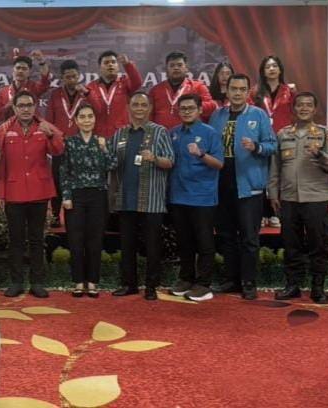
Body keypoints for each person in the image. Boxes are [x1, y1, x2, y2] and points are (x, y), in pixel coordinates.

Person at [208, 74, 276, 300]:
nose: (237, 93)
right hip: (221, 184)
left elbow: (272, 145)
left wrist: (256, 147)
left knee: (249, 237)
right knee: (226, 235)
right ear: (226, 91)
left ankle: (248, 282)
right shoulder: (217, 115)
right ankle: (231, 279)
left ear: (248, 92)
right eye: (233, 88)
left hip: (248, 185)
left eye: (242, 89)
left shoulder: (259, 114)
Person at [268, 92, 328, 304]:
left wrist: (320, 155)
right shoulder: (283, 134)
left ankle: (318, 288)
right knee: (291, 245)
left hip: (316, 197)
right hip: (289, 197)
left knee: (318, 245)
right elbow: (275, 168)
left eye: (308, 105)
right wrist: (273, 193)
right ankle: (293, 286)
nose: (304, 108)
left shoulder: (324, 134)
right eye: (300, 105)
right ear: (294, 108)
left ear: (315, 109)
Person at [0, 90, 65, 298]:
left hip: (39, 192)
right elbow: (0, 167)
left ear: (35, 107)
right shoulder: (4, 131)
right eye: (21, 105)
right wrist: (1, 194)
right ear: (14, 108)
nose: (25, 109)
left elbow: (58, 151)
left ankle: (37, 282)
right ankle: (16, 282)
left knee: (36, 240)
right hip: (14, 192)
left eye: (29, 105)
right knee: (15, 240)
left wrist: (51, 134)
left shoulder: (45, 128)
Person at [108, 91, 174, 301]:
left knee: (152, 246)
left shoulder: (160, 132)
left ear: (150, 108)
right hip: (125, 199)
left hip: (151, 200)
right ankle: (129, 284)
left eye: (143, 105)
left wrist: (154, 158)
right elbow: (110, 162)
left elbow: (170, 161)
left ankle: (152, 286)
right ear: (128, 108)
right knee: (127, 245)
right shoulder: (119, 134)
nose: (139, 108)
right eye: (135, 104)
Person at [167, 94, 224, 302]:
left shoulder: (210, 133)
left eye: (191, 108)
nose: (186, 112)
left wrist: (201, 154)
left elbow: (219, 164)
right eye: (183, 108)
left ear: (200, 110)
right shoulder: (173, 133)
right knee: (184, 242)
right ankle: (186, 279)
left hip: (203, 198)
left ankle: (204, 284)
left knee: (204, 243)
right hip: (178, 196)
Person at [59, 104, 115, 298]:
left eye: (90, 116)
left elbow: (112, 165)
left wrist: (104, 149)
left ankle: (92, 282)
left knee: (95, 239)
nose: (87, 120)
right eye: (82, 117)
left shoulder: (102, 141)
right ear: (76, 121)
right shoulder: (70, 142)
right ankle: (78, 282)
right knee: (75, 240)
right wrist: (66, 196)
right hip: (76, 196)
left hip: (98, 195)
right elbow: (64, 171)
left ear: (95, 119)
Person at [252, 55, 296, 229]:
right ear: (263, 71)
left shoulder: (289, 90)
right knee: (263, 176)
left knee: (280, 175)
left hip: (284, 137)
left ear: (280, 70)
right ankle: (264, 212)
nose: (271, 69)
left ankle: (277, 212)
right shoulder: (255, 91)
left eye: (274, 66)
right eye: (268, 66)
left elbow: (296, 113)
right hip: (262, 139)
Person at [45, 60, 90, 228]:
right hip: (59, 146)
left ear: (79, 76)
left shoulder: (86, 94)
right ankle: (55, 215)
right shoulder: (55, 95)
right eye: (68, 77)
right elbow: (49, 120)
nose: (71, 80)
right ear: (62, 78)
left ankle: (76, 215)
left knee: (78, 182)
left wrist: (87, 94)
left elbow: (94, 116)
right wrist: (56, 139)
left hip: (80, 146)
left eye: (74, 76)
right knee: (57, 182)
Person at [149, 51, 216, 130]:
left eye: (179, 65)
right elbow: (149, 115)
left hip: (190, 134)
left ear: (186, 68)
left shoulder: (198, 87)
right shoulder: (155, 90)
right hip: (161, 135)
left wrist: (192, 106)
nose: (176, 68)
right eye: (172, 65)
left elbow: (212, 106)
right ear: (166, 69)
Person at [86, 50, 143, 138]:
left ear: (118, 66)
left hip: (121, 134)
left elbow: (137, 83)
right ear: (100, 67)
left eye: (113, 62)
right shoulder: (91, 87)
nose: (110, 65)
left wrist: (127, 64)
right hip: (98, 136)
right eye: (106, 63)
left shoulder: (124, 83)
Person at [0, 51, 51, 123]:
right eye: (18, 68)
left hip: (32, 127)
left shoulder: (34, 87)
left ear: (29, 72)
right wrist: (9, 104)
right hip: (10, 128)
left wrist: (41, 61)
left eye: (24, 69)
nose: (20, 71)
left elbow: (45, 80)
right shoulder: (3, 91)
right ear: (13, 70)